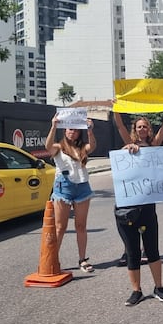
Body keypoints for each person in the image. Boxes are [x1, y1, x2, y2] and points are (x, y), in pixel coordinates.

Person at [114, 112, 163, 305]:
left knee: (152, 249)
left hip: (147, 206)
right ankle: (136, 291)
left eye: (145, 126)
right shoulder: (128, 145)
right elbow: (121, 127)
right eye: (139, 126)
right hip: (128, 206)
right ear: (135, 129)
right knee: (132, 251)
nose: (142, 129)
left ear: (149, 129)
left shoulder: (153, 147)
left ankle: (159, 287)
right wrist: (116, 111)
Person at [44, 114, 96, 273]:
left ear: (79, 132)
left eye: (74, 130)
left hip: (82, 187)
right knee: (60, 227)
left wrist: (90, 130)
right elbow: (48, 147)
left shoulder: (82, 148)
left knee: (81, 225)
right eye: (69, 129)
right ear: (65, 130)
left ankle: (82, 259)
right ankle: (52, 260)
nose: (71, 132)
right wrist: (53, 126)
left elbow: (92, 146)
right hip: (63, 187)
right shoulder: (58, 148)